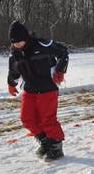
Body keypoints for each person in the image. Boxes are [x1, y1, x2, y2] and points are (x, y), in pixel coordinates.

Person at [7, 20, 69, 161]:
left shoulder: (43, 45)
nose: (17, 44)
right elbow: (13, 70)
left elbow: (63, 52)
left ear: (26, 37)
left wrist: (60, 70)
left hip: (48, 89)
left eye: (19, 41)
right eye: (14, 42)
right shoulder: (15, 53)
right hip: (29, 90)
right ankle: (46, 143)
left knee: (47, 120)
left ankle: (56, 147)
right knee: (27, 119)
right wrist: (11, 83)